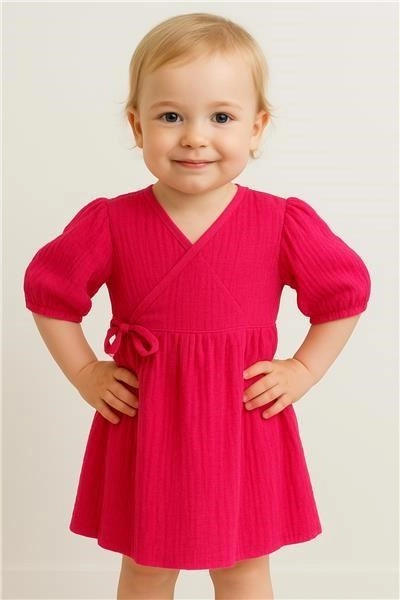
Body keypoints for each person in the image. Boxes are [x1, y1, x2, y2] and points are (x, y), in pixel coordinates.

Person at [23, 12, 371, 600]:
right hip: (149, 423)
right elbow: (49, 292)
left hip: (242, 423)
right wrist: (85, 372)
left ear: (257, 127)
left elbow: (344, 293)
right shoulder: (112, 221)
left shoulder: (279, 221)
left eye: (221, 117)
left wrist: (303, 369)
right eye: (170, 117)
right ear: (137, 125)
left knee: (242, 568)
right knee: (147, 568)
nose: (194, 137)